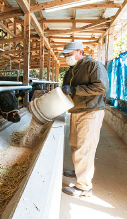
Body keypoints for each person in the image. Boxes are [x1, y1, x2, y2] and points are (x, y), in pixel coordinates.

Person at [59, 42, 109, 197]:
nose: (67, 57)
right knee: (75, 144)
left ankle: (84, 187)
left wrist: (75, 90)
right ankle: (78, 171)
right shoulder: (71, 70)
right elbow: (66, 88)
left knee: (85, 148)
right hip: (76, 110)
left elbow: (101, 87)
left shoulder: (93, 65)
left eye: (70, 54)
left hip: (91, 111)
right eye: (66, 55)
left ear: (80, 52)